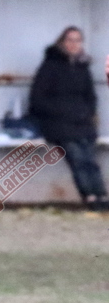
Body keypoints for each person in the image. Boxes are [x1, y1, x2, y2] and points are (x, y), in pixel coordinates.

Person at [27, 26, 106, 208]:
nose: (74, 44)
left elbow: (90, 96)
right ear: (62, 42)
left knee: (90, 160)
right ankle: (90, 197)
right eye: (70, 40)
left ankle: (101, 195)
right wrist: (62, 112)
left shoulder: (82, 68)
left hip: (82, 123)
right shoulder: (49, 66)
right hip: (58, 124)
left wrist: (87, 113)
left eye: (77, 40)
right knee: (78, 159)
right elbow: (37, 100)